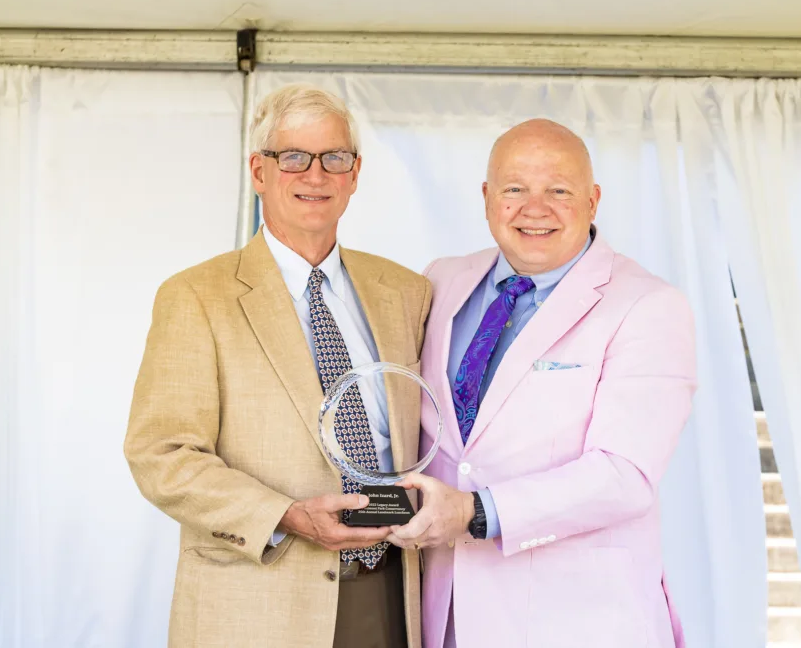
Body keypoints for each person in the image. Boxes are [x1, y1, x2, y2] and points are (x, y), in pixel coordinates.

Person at [124, 84, 430, 648]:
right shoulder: (196, 296)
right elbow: (160, 455)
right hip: (257, 600)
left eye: (334, 158)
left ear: (355, 174)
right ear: (258, 171)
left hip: (390, 593)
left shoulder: (406, 293)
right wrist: (286, 514)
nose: (315, 176)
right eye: (293, 157)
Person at [387, 119, 696, 648]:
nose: (535, 208)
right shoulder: (441, 279)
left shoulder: (648, 305)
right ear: (487, 198)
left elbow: (624, 476)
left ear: (593, 200)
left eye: (559, 190)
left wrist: (475, 512)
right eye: (514, 189)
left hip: (578, 621)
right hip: (445, 615)